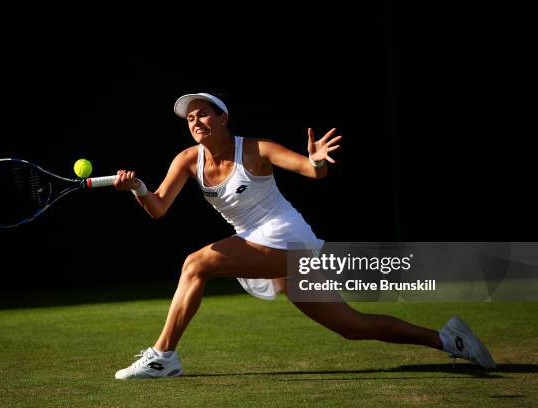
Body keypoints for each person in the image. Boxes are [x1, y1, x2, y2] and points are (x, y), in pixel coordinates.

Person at [113, 93, 495, 379]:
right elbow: (158, 208)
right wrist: (138, 189)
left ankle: (164, 355)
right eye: (191, 118)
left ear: (223, 118)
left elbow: (311, 172)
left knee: (195, 264)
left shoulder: (258, 149)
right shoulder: (186, 160)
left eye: (204, 114)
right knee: (352, 327)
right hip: (255, 241)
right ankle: (449, 340)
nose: (197, 121)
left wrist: (314, 161)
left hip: (288, 238)